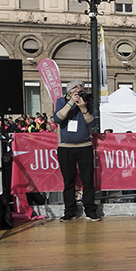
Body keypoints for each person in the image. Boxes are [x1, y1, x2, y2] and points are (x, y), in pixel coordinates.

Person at [53, 81, 101, 221]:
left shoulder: (86, 102)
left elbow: (92, 123)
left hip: (84, 146)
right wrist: (70, 103)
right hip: (65, 147)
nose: (81, 93)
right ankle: (70, 211)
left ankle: (90, 210)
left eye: (83, 90)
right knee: (69, 181)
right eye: (78, 90)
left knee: (88, 181)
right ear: (70, 92)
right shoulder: (61, 101)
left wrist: (83, 108)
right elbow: (58, 119)